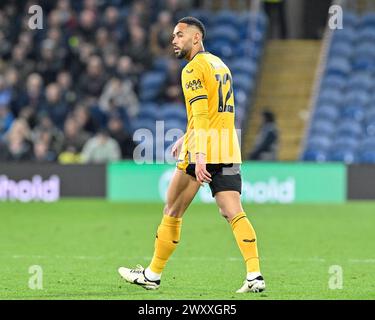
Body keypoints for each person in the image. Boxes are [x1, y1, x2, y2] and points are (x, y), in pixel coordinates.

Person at [118, 17, 265, 293]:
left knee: (172, 210)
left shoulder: (192, 70)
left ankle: (152, 275)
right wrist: (187, 136)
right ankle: (254, 274)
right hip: (228, 146)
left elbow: (199, 113)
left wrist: (198, 155)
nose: (174, 39)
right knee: (233, 212)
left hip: (204, 148)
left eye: (180, 35)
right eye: (174, 35)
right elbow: (216, 112)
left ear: (196, 38)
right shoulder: (220, 64)